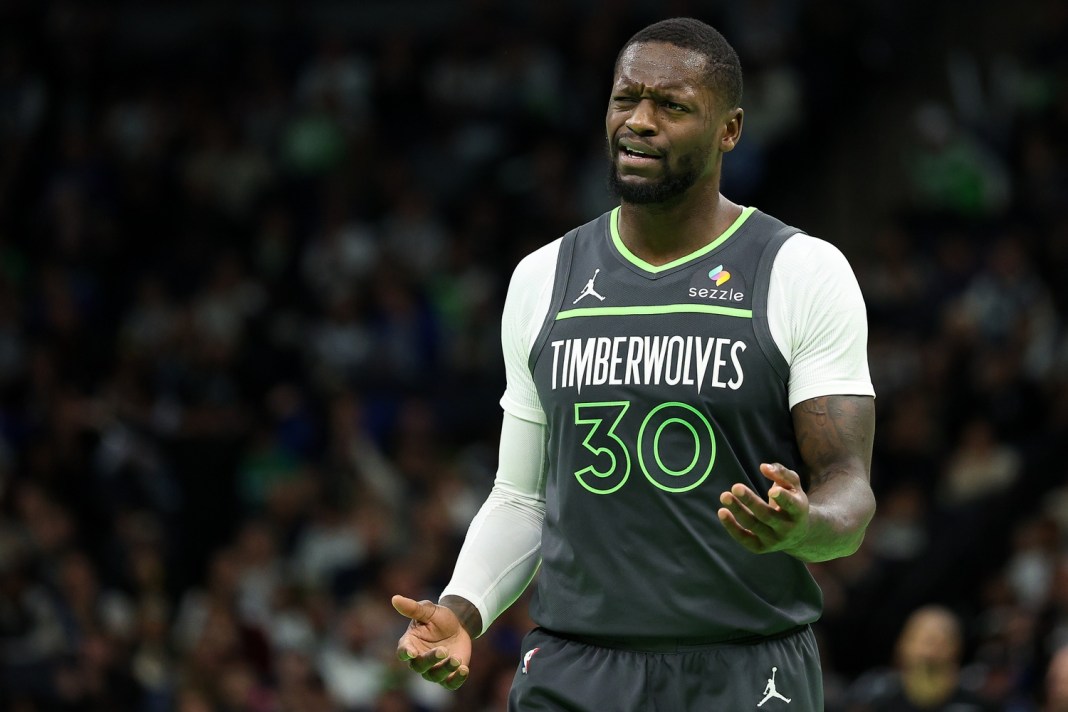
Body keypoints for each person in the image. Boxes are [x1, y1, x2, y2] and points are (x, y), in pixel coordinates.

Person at [392, 16, 876, 711]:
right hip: (573, 667)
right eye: (626, 99)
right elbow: (524, 494)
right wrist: (463, 610)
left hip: (744, 670)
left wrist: (807, 528)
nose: (639, 122)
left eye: (673, 106)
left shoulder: (801, 270)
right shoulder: (544, 277)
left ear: (730, 130)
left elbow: (849, 493)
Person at [846, 605, 995, 711]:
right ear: (902, 645)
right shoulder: (874, 695)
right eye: (924, 641)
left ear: (957, 648)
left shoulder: (978, 699)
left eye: (941, 642)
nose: (930, 652)